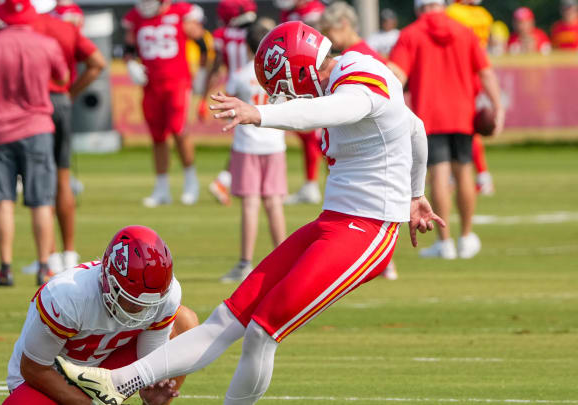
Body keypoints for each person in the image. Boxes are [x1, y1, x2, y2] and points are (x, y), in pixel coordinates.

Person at [51, 21, 445, 405]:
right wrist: (414, 193)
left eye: (284, 88)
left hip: (368, 230)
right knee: (227, 318)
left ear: (304, 70)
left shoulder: (358, 77)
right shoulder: (346, 76)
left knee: (262, 331)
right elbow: (415, 128)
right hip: (333, 222)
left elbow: (334, 110)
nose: (287, 98)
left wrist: (259, 114)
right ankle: (117, 382)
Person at [2, 225, 199, 405]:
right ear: (108, 281)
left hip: (105, 365)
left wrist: (150, 391)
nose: (141, 310)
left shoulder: (167, 296)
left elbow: (149, 360)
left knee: (184, 323)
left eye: (149, 304)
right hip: (50, 377)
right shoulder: (67, 296)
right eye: (132, 300)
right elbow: (33, 369)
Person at [389, 0, 504, 260]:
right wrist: (498, 108)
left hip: (429, 114)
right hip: (463, 113)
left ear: (419, 7)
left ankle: (445, 243)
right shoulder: (465, 31)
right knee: (464, 172)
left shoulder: (410, 34)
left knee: (438, 175)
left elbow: (397, 75)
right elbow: (485, 72)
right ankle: (465, 237)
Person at [0, 0, 69, 286]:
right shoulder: (46, 44)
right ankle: (44, 266)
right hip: (37, 129)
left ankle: (6, 267)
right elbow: (63, 76)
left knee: (3, 201)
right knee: (41, 202)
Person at [318, 1, 398, 281]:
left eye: (328, 30)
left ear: (343, 24)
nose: (326, 38)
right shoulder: (366, 53)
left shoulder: (355, 58)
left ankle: (376, 259)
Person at [29, 0, 107, 271]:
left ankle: (48, 257)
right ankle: (70, 254)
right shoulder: (65, 27)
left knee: (39, 178)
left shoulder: (25, 27)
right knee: (62, 177)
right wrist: (68, 94)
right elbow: (98, 63)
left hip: (32, 105)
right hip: (59, 102)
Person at [220, 19, 286, 283]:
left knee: (250, 204)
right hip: (275, 144)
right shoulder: (279, 71)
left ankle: (245, 262)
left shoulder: (240, 74)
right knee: (274, 203)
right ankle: (283, 259)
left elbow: (228, 106)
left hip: (247, 146)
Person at [122, 0, 204, 207]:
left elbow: (201, 42)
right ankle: (162, 189)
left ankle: (191, 181)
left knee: (178, 130)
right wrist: (130, 63)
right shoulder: (136, 17)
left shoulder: (180, 14)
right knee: (157, 137)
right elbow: (128, 48)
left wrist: (201, 72)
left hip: (177, 83)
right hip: (151, 86)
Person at [203, 0, 258, 207]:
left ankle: (226, 180)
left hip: (234, 90)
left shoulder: (221, 35)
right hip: (255, 87)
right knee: (254, 142)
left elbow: (215, 67)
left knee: (243, 141)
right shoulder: (256, 32)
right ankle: (225, 181)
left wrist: (202, 98)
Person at [275, 0, 325, 205]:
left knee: (317, 134)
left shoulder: (315, 10)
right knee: (307, 135)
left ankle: (314, 184)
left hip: (313, 74)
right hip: (296, 76)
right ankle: (311, 183)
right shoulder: (289, 13)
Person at [446, 0, 496, 196]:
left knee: (459, 127)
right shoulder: (484, 15)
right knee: (467, 127)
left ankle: (474, 175)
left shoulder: (453, 12)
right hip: (477, 72)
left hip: (458, 74)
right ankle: (478, 175)